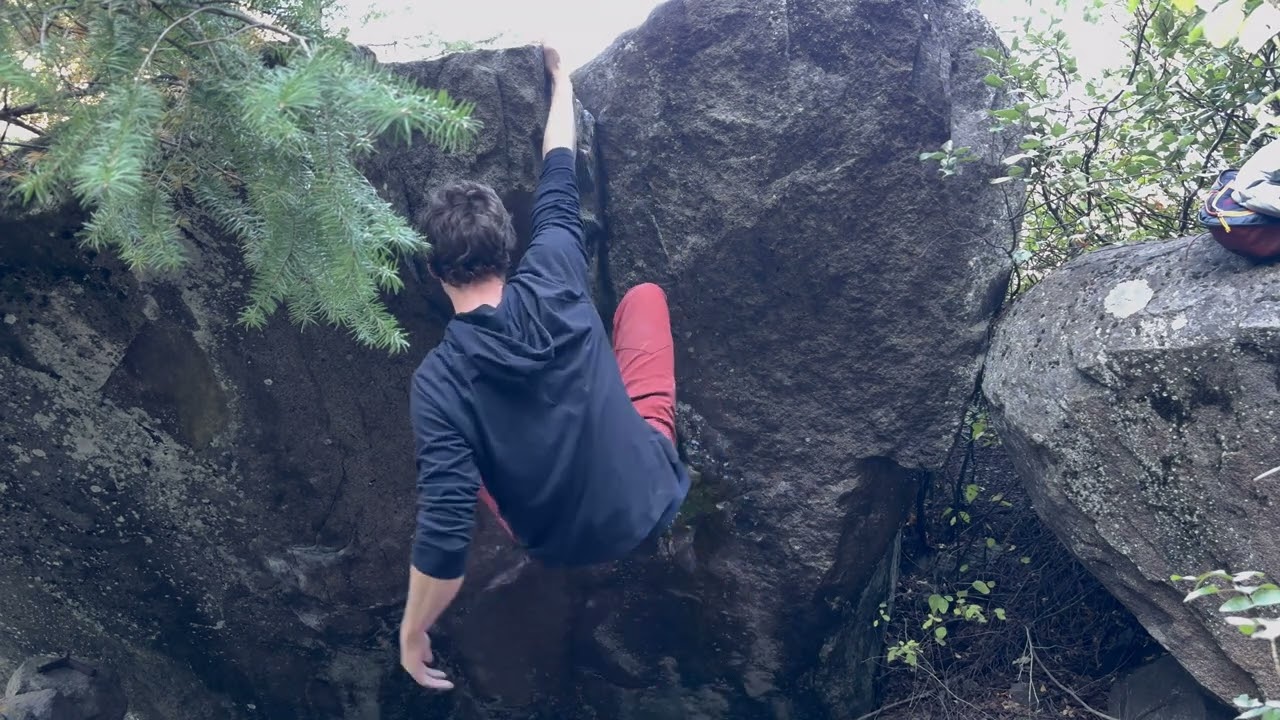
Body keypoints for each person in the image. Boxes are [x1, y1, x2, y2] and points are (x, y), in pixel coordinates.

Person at [397, 42, 691, 690]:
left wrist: (413, 632)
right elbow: (561, 163)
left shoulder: (439, 383)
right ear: (510, 242)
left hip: (555, 546)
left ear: (433, 271)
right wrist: (562, 79)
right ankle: (641, 433)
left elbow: (444, 530)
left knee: (458, 455)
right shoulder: (556, 258)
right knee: (643, 300)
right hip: (651, 496)